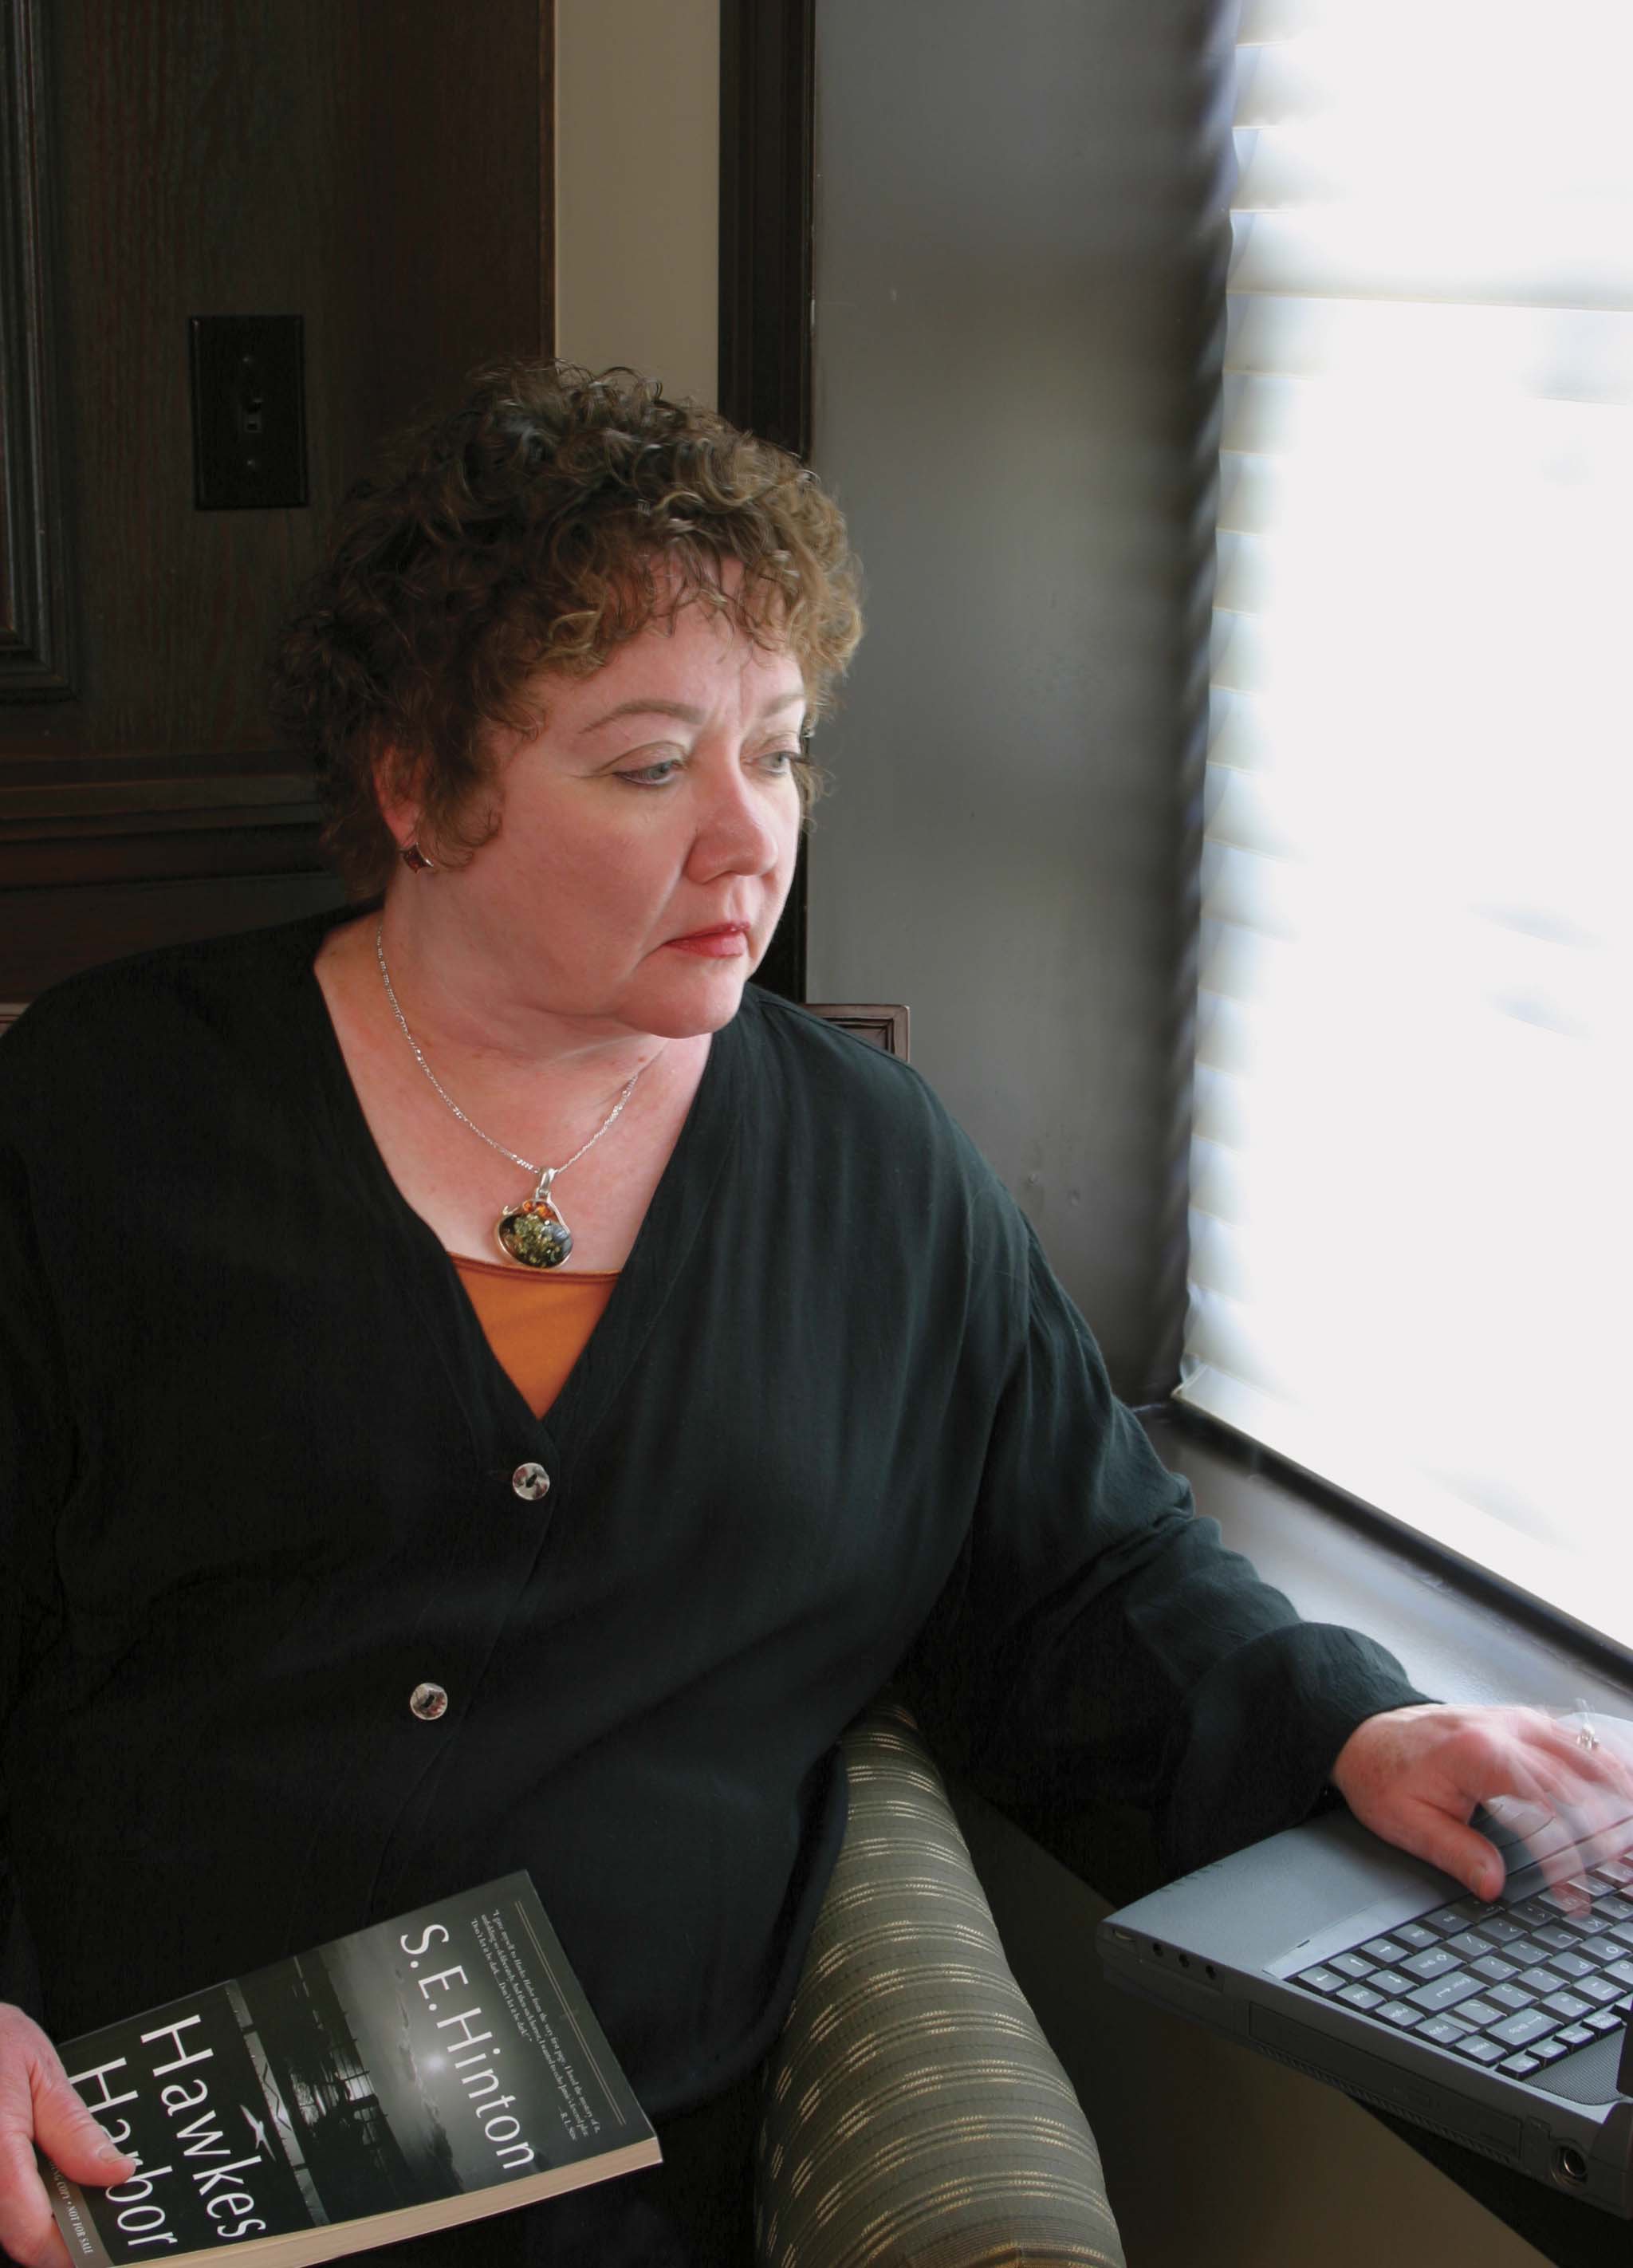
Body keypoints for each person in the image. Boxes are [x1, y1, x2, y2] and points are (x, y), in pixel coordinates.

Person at [1, 360, 1627, 2268]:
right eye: (646, 767)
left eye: (774, 753)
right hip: (105, 2151)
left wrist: (1361, 1727)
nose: (747, 838)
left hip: (599, 2194)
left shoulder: (873, 1173)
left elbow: (1082, 1578)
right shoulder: (106, 1120)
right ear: (419, 791)